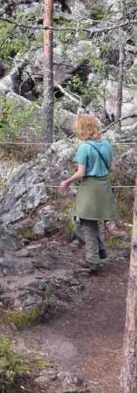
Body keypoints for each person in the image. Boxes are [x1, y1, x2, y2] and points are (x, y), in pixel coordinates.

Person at [59, 113, 116, 273]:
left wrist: (66, 182)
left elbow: (81, 173)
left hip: (90, 189)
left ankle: (92, 261)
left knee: (87, 224)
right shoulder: (106, 144)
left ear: (82, 129)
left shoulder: (84, 147)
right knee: (96, 221)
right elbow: (112, 167)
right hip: (104, 187)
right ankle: (100, 251)